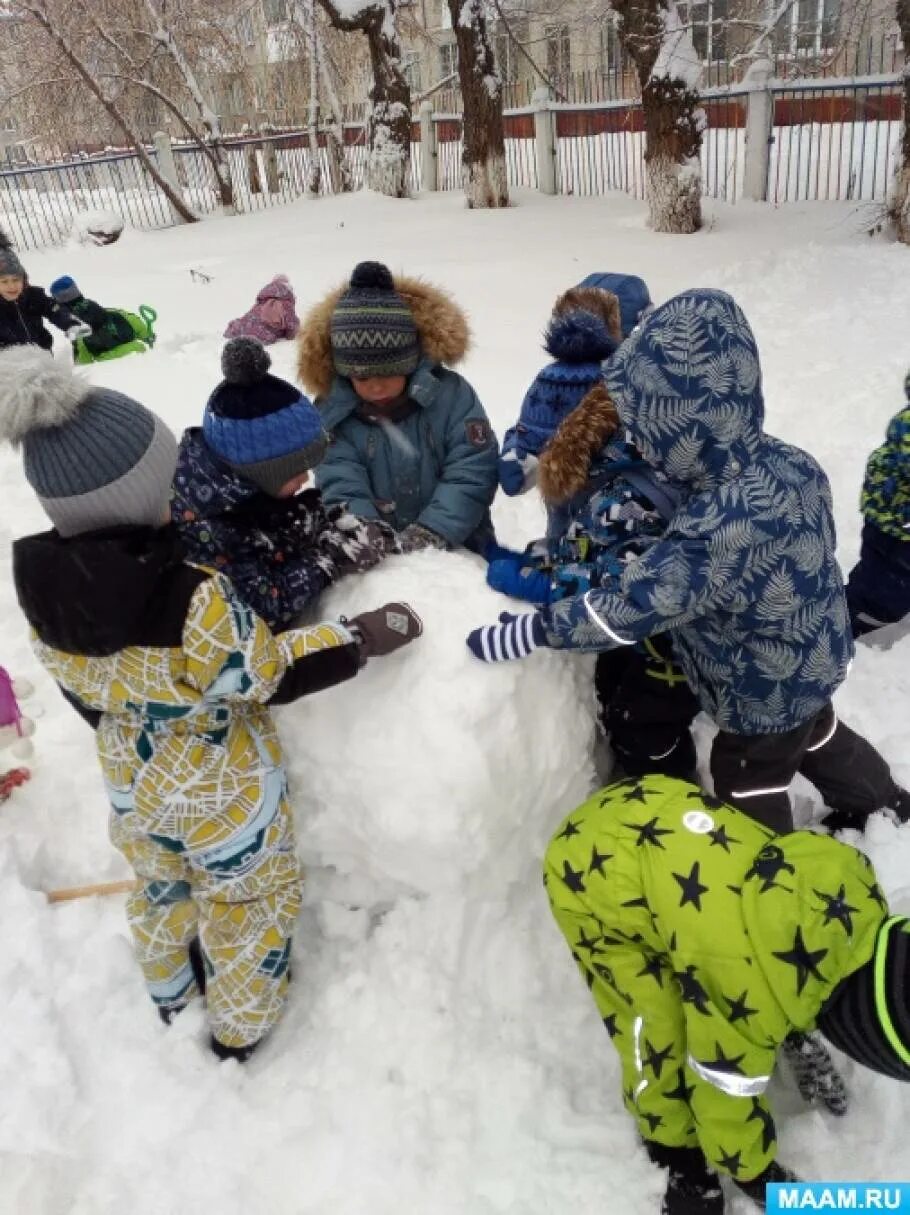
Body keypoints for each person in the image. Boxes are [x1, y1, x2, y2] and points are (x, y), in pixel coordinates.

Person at [1, 345, 422, 1062]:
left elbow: (83, 692)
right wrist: (357, 639)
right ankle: (238, 1027)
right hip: (220, 795)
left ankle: (170, 992)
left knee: (159, 886)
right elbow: (262, 672)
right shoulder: (191, 593)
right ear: (138, 495)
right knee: (245, 904)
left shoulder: (40, 584)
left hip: (133, 781)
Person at [467, 289, 909, 834]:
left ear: (684, 425)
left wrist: (536, 629)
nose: (641, 442)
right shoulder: (793, 463)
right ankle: (887, 804)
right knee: (819, 734)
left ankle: (772, 869)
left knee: (747, 777)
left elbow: (630, 607)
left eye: (649, 428)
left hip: (759, 692)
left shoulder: (715, 527)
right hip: (816, 658)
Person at [544, 775, 910, 1214]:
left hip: (662, 810)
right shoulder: (748, 996)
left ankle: (791, 1019)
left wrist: (792, 1020)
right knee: (656, 1024)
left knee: (757, 971)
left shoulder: (857, 896)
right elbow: (723, 1094)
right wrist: (754, 1172)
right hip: (588, 872)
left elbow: (798, 963)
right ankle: (673, 1149)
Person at [173, 337, 398, 632]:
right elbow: (264, 608)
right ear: (262, 472)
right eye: (293, 472)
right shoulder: (210, 528)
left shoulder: (239, 487)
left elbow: (263, 527)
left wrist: (311, 521)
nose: (305, 479)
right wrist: (329, 558)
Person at [297, 260, 499, 555]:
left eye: (387, 374)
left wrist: (433, 531)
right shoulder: (334, 415)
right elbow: (340, 482)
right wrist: (365, 531)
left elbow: (472, 469)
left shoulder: (451, 397)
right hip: (378, 555)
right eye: (362, 377)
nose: (375, 387)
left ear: (410, 362)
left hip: (461, 546)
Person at [844, 369, 910, 637]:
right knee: (883, 594)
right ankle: (842, 629)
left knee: (877, 576)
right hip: (895, 528)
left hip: (892, 524)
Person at [0, 232, 89, 351]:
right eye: (4, 282)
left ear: (24, 280)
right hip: (9, 363)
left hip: (41, 356)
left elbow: (54, 310)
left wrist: (70, 324)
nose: (11, 286)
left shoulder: (33, 296)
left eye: (16, 280)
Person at [49, 275, 156, 363]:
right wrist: (147, 336)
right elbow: (132, 320)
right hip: (137, 349)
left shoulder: (78, 328)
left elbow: (83, 360)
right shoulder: (110, 312)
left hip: (111, 361)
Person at [224, 274, 300, 345]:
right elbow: (292, 327)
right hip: (262, 336)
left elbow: (249, 316)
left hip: (242, 329)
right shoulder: (285, 305)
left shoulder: (262, 301)